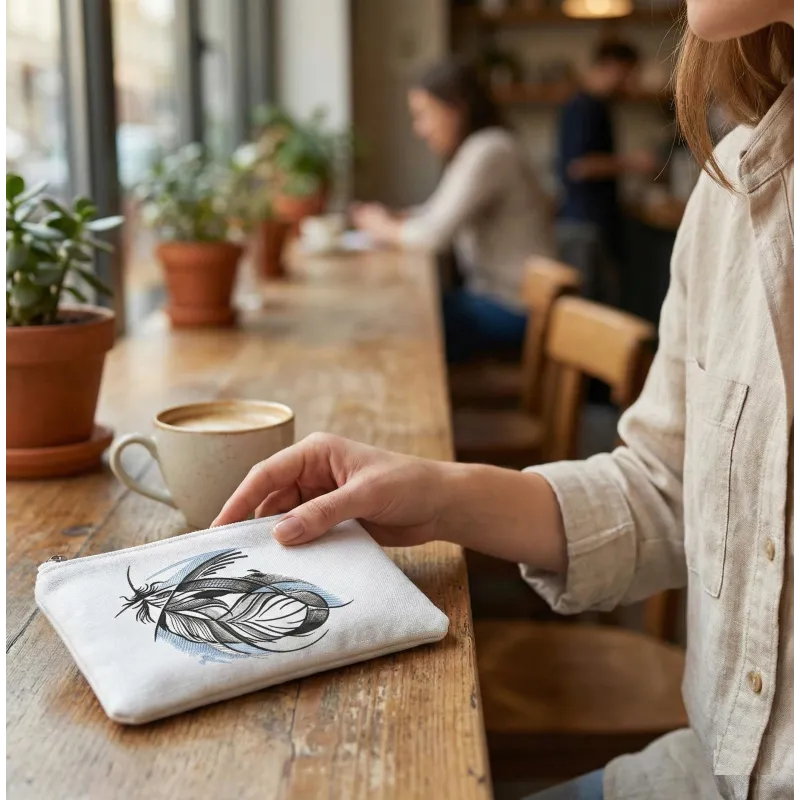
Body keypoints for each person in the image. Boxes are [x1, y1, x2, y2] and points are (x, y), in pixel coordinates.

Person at [214, 1, 793, 797]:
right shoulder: (734, 185)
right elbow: (668, 491)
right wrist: (439, 492)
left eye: (422, 114)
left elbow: (426, 235)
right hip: (709, 769)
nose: (419, 128)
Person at [351, 59, 555, 364]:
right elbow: (434, 213)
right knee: (402, 316)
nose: (420, 129)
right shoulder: (479, 148)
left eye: (424, 115)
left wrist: (381, 226)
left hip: (514, 307)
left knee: (401, 325)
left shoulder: (489, 150)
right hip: (496, 299)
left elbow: (433, 236)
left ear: (455, 108)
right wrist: (395, 218)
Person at [556, 41, 657, 305]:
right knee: (590, 312)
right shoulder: (583, 106)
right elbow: (579, 167)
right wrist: (632, 163)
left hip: (591, 223)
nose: (630, 83)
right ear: (610, 66)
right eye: (627, 74)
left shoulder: (597, 105)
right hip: (584, 226)